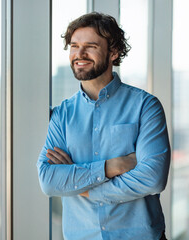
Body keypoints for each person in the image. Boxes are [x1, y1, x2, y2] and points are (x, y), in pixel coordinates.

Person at [37, 12, 170, 240]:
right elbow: (49, 181)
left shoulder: (145, 106)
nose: (79, 54)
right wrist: (110, 167)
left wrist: (85, 187)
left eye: (90, 46)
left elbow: (153, 178)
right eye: (74, 46)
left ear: (114, 52)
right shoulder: (61, 115)